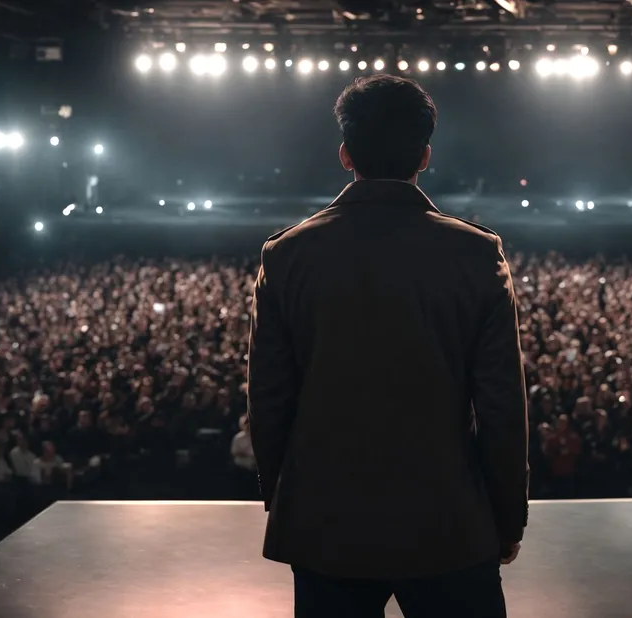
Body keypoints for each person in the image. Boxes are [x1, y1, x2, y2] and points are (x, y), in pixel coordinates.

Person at [247, 74, 528, 618]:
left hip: (326, 523)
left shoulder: (286, 256)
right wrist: (506, 516)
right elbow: (502, 407)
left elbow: (268, 401)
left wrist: (285, 501)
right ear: (424, 155)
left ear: (345, 154)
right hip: (450, 521)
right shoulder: (477, 254)